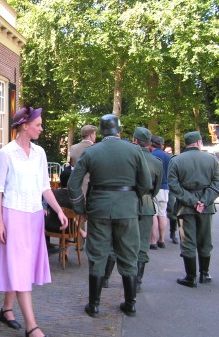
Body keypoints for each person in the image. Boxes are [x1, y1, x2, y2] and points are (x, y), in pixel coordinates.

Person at [0, 106, 68, 337]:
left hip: (34, 216)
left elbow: (45, 186)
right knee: (20, 268)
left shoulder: (40, 153)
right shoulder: (6, 153)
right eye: (38, 125)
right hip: (12, 215)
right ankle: (31, 326)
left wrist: (59, 210)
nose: (41, 129)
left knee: (21, 266)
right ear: (25, 126)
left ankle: (6, 310)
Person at [68, 114, 152, 317]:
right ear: (119, 130)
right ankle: (130, 304)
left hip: (98, 209)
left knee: (97, 255)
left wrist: (80, 208)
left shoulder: (91, 152)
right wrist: (132, 198)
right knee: (129, 255)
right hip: (127, 209)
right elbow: (146, 183)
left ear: (101, 131)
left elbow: (73, 184)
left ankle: (94, 306)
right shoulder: (134, 150)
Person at [168, 131, 219, 288]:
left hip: (186, 206)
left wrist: (192, 201)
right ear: (199, 143)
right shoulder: (211, 160)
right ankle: (204, 274)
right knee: (205, 239)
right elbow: (218, 183)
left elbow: (174, 185)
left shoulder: (177, 160)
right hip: (206, 206)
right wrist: (204, 201)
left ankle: (190, 277)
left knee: (188, 240)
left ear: (186, 143)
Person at [132, 128, 162, 292]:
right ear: (149, 142)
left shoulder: (128, 156)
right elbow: (156, 188)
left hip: (128, 202)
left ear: (135, 140)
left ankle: (107, 278)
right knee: (143, 244)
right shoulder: (156, 162)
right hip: (146, 203)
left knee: (120, 241)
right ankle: (137, 282)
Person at [45, 168, 86, 253]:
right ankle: (65, 251)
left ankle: (46, 246)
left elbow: (48, 208)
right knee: (71, 219)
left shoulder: (54, 194)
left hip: (52, 226)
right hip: (70, 229)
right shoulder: (76, 197)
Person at [149, 136, 172, 249]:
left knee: (154, 214)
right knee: (162, 214)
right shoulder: (168, 157)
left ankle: (152, 241)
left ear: (151, 144)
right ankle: (161, 240)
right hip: (165, 187)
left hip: (155, 188)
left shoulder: (151, 156)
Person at [69, 125, 97, 195]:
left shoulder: (73, 148)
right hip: (92, 187)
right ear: (91, 135)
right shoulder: (96, 148)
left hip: (77, 187)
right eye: (95, 134)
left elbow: (72, 164)